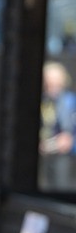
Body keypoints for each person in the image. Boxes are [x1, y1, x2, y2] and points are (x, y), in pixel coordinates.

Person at [39, 61, 76, 190]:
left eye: (56, 81)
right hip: (43, 158)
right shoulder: (42, 101)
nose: (52, 86)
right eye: (48, 82)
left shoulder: (71, 102)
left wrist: (71, 143)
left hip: (66, 160)